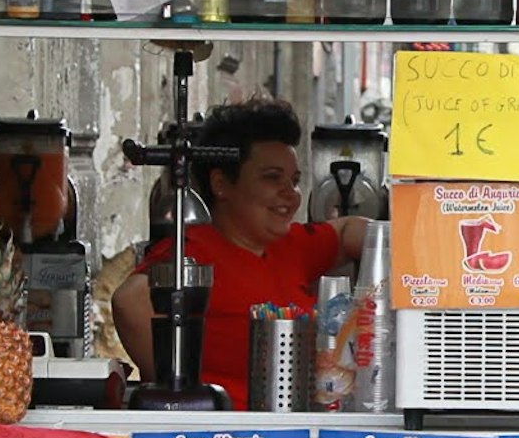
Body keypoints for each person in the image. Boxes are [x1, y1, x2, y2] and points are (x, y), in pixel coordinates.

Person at [109, 98, 372, 410]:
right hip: (226, 434)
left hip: (300, 427)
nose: (290, 194)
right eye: (272, 178)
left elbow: (346, 232)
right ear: (221, 184)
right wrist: (175, 391)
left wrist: (414, 235)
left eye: (294, 181)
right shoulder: (194, 252)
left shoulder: (295, 245)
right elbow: (130, 301)